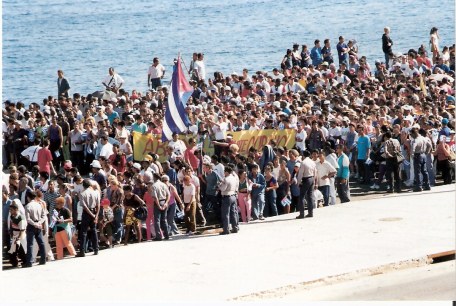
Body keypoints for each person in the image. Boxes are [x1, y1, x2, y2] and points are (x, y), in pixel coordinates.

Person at [76, 179, 100, 257]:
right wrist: (96, 215)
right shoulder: (96, 192)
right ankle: (96, 249)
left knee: (83, 232)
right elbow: (98, 205)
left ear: (83, 185)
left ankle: (82, 251)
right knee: (94, 230)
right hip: (93, 211)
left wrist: (92, 215)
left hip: (86, 213)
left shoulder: (82, 194)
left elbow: (85, 207)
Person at [24, 191, 46, 267]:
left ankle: (29, 262)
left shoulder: (27, 206)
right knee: (41, 243)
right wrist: (39, 223)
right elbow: (44, 216)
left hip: (31, 226)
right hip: (39, 224)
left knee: (30, 244)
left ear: (28, 197)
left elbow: (28, 219)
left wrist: (34, 224)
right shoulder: (39, 205)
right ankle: (43, 259)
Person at [296, 150, 317, 218]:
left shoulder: (303, 162)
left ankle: (302, 214)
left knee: (301, 197)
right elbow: (315, 172)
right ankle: (310, 213)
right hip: (311, 178)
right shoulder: (312, 162)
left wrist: (298, 182)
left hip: (306, 179)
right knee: (310, 196)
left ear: (303, 155)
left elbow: (300, 173)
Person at [218, 166, 239, 235]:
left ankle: (226, 230)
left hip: (227, 196)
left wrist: (219, 185)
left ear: (226, 172)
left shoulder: (226, 179)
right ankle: (235, 227)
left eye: (224, 171)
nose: (224, 173)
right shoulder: (234, 178)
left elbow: (223, 189)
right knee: (233, 213)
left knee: (225, 214)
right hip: (233, 195)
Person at [410, 127, 432, 192]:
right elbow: (430, 145)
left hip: (417, 155)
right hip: (423, 155)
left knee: (417, 172)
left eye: (411, 134)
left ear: (414, 133)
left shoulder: (415, 140)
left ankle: (419, 186)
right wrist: (427, 152)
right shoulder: (423, 138)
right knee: (424, 171)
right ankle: (427, 185)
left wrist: (412, 156)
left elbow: (413, 148)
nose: (411, 136)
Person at [8, 200, 27, 267]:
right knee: (13, 250)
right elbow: (12, 226)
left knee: (21, 250)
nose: (10, 211)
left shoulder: (20, 218)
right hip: (15, 235)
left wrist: (18, 238)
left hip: (20, 236)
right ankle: (15, 263)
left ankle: (25, 262)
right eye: (10, 210)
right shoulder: (12, 217)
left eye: (11, 210)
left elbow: (22, 230)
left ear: (16, 209)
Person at [152, 173, 170, 241]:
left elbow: (155, 197)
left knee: (157, 220)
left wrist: (158, 205)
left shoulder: (154, 185)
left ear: (154, 177)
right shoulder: (164, 185)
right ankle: (166, 234)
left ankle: (158, 236)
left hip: (158, 202)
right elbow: (168, 194)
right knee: (164, 219)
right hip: (164, 201)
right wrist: (166, 203)